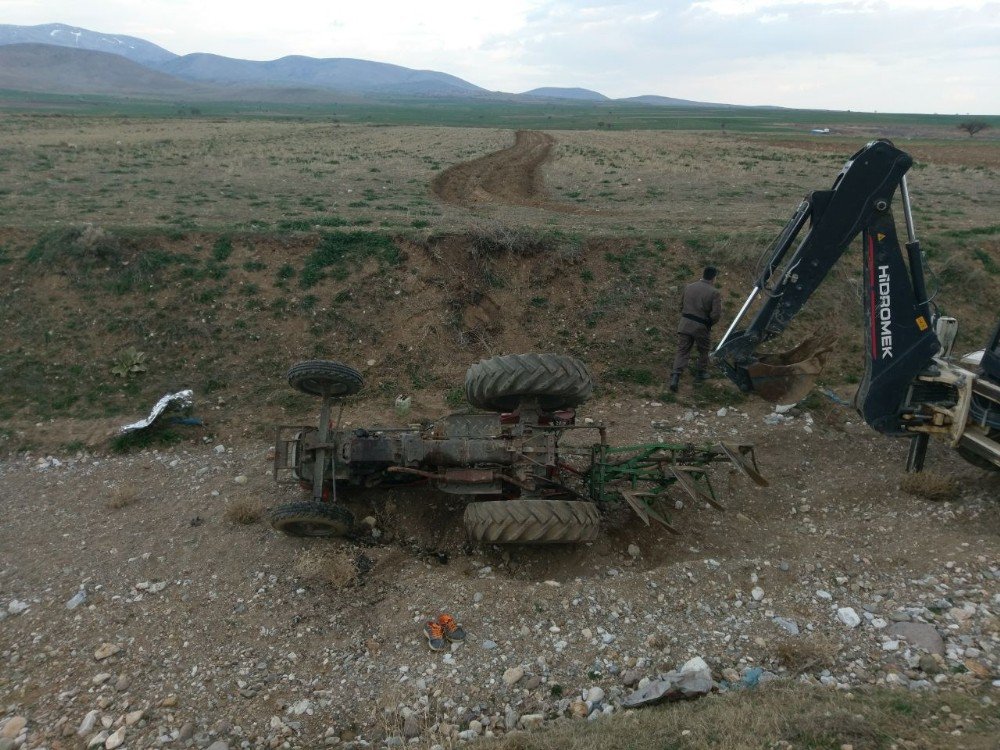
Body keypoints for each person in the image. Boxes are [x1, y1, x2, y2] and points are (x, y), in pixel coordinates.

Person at [669, 266, 722, 392]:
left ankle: (675, 376)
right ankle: (701, 372)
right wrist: (709, 323)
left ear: (703, 274)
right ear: (714, 277)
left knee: (682, 350)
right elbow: (716, 314)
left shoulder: (689, 287)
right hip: (701, 326)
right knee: (704, 349)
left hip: (685, 324)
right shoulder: (714, 292)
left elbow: (680, 305)